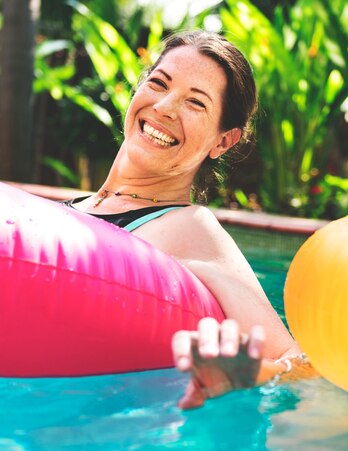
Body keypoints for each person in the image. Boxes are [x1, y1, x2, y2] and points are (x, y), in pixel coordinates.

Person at [62, 30, 311, 409]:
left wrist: (239, 375)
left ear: (223, 141)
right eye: (158, 83)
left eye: (195, 103)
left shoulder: (191, 228)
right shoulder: (71, 207)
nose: (164, 107)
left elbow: (300, 367)